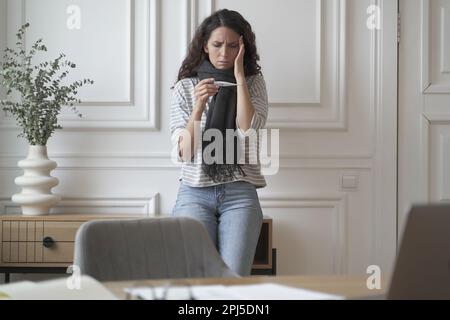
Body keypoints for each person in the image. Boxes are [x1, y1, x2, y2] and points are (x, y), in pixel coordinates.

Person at [169, 8, 268, 276]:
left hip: (240, 193)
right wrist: (199, 106)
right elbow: (184, 152)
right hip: (194, 193)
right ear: (205, 45)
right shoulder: (185, 87)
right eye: (217, 44)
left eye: (233, 45)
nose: (224, 53)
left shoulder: (253, 83)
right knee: (196, 277)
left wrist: (239, 79)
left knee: (234, 280)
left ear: (243, 47)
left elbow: (249, 129)